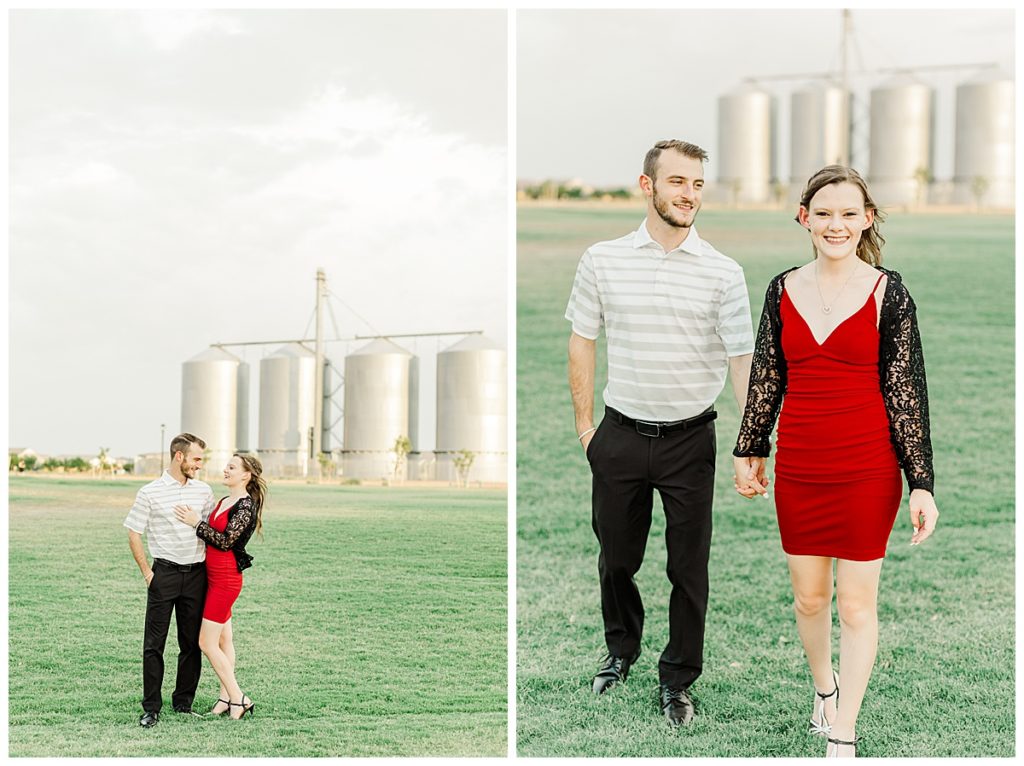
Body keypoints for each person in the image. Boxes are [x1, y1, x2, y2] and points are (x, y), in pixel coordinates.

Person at [732, 165, 939, 757]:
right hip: (801, 463)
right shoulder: (780, 288)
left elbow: (907, 393)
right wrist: (751, 448)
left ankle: (843, 728)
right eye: (823, 213)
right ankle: (824, 689)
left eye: (849, 213)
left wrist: (920, 483)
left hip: (868, 466)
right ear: (804, 217)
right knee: (809, 599)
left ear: (867, 219)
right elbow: (768, 377)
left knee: (855, 602)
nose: (836, 224)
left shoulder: (888, 292)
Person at [565, 139, 755, 727]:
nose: (689, 195)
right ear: (647, 185)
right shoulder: (602, 258)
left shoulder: (724, 272)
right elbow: (582, 339)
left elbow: (742, 360)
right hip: (618, 435)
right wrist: (586, 429)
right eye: (677, 182)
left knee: (687, 568)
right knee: (617, 560)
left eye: (697, 184)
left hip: (689, 440)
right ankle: (621, 650)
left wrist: (752, 444)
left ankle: (678, 680)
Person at [125, 432, 214, 728]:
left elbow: (211, 531)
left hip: (197, 576)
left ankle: (183, 703)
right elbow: (134, 532)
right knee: (154, 645)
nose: (199, 465)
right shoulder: (150, 492)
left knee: (191, 643)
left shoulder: (203, 491)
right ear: (180, 456)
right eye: (196, 458)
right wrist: (147, 573)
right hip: (163, 574)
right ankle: (151, 707)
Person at [174, 452, 265, 720]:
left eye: (232, 467)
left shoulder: (246, 506)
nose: (226, 470)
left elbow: (225, 541)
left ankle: (239, 698)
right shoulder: (225, 500)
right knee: (225, 640)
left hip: (226, 580)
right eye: (227, 466)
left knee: (206, 642)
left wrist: (196, 523)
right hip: (210, 576)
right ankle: (225, 697)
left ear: (246, 475)